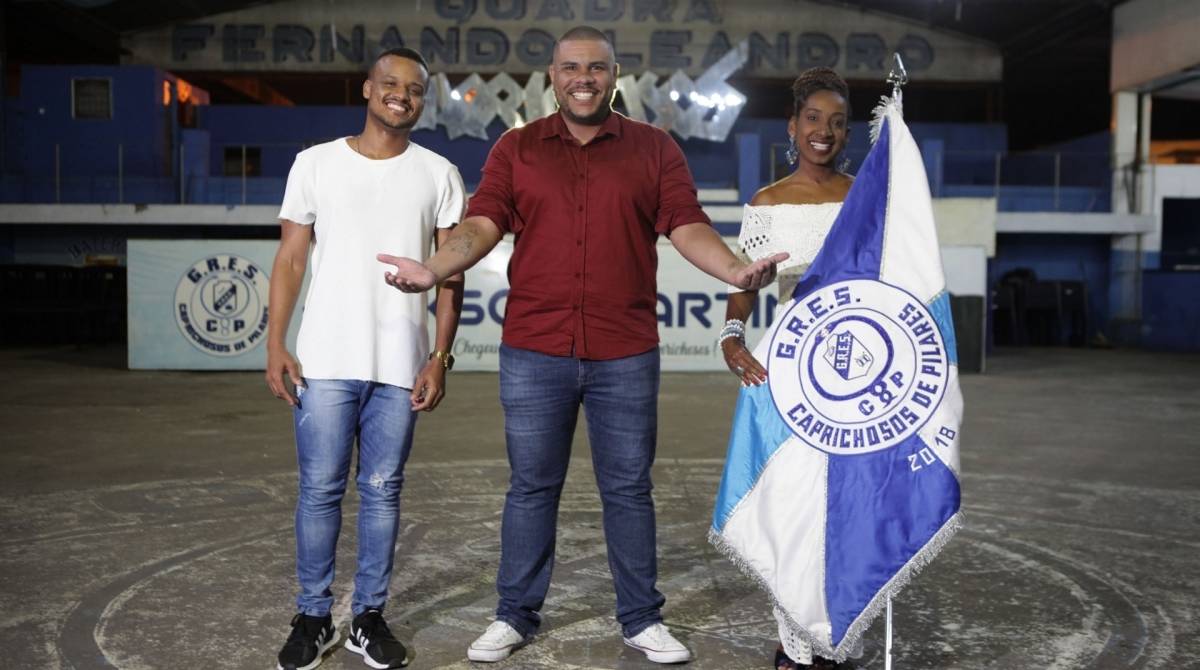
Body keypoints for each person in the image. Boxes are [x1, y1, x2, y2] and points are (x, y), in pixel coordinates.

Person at [376, 25, 786, 666]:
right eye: (571, 67)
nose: (583, 78)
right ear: (552, 76)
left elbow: (685, 223)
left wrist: (734, 271)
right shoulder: (517, 149)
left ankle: (642, 619)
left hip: (624, 351)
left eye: (596, 67)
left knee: (627, 489)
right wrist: (434, 268)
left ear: (614, 75)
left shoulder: (654, 149)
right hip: (535, 349)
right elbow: (482, 223)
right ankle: (513, 616)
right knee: (531, 488)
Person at [265, 46, 466, 670]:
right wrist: (275, 342)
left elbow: (451, 277)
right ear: (366, 89)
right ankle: (313, 616)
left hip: (400, 365)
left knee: (382, 491)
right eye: (389, 83)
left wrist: (440, 356)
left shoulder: (440, 174)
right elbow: (291, 258)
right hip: (324, 359)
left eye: (413, 88)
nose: (400, 95)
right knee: (320, 491)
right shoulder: (315, 164)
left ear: (422, 100)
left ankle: (368, 617)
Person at [719, 67, 860, 670]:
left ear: (847, 133)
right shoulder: (768, 204)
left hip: (858, 371)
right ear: (792, 128)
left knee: (849, 509)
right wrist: (732, 336)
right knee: (796, 506)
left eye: (836, 122)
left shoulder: (866, 197)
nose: (823, 131)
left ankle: (839, 637)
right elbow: (746, 285)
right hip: (791, 370)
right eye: (813, 119)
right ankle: (795, 645)